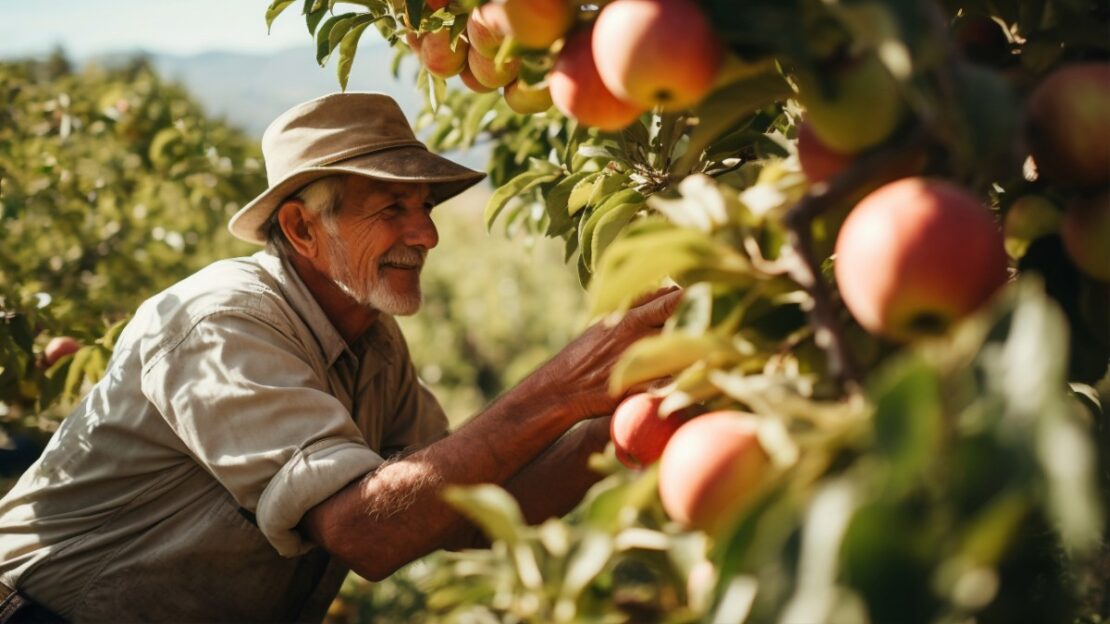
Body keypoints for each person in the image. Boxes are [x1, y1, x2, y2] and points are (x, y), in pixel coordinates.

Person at [0, 92, 679, 622]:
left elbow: (469, 510)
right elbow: (366, 532)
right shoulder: (222, 323)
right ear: (301, 228)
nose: (427, 233)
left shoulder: (374, 344)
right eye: (392, 208)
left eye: (424, 206)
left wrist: (629, 416)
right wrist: (568, 385)